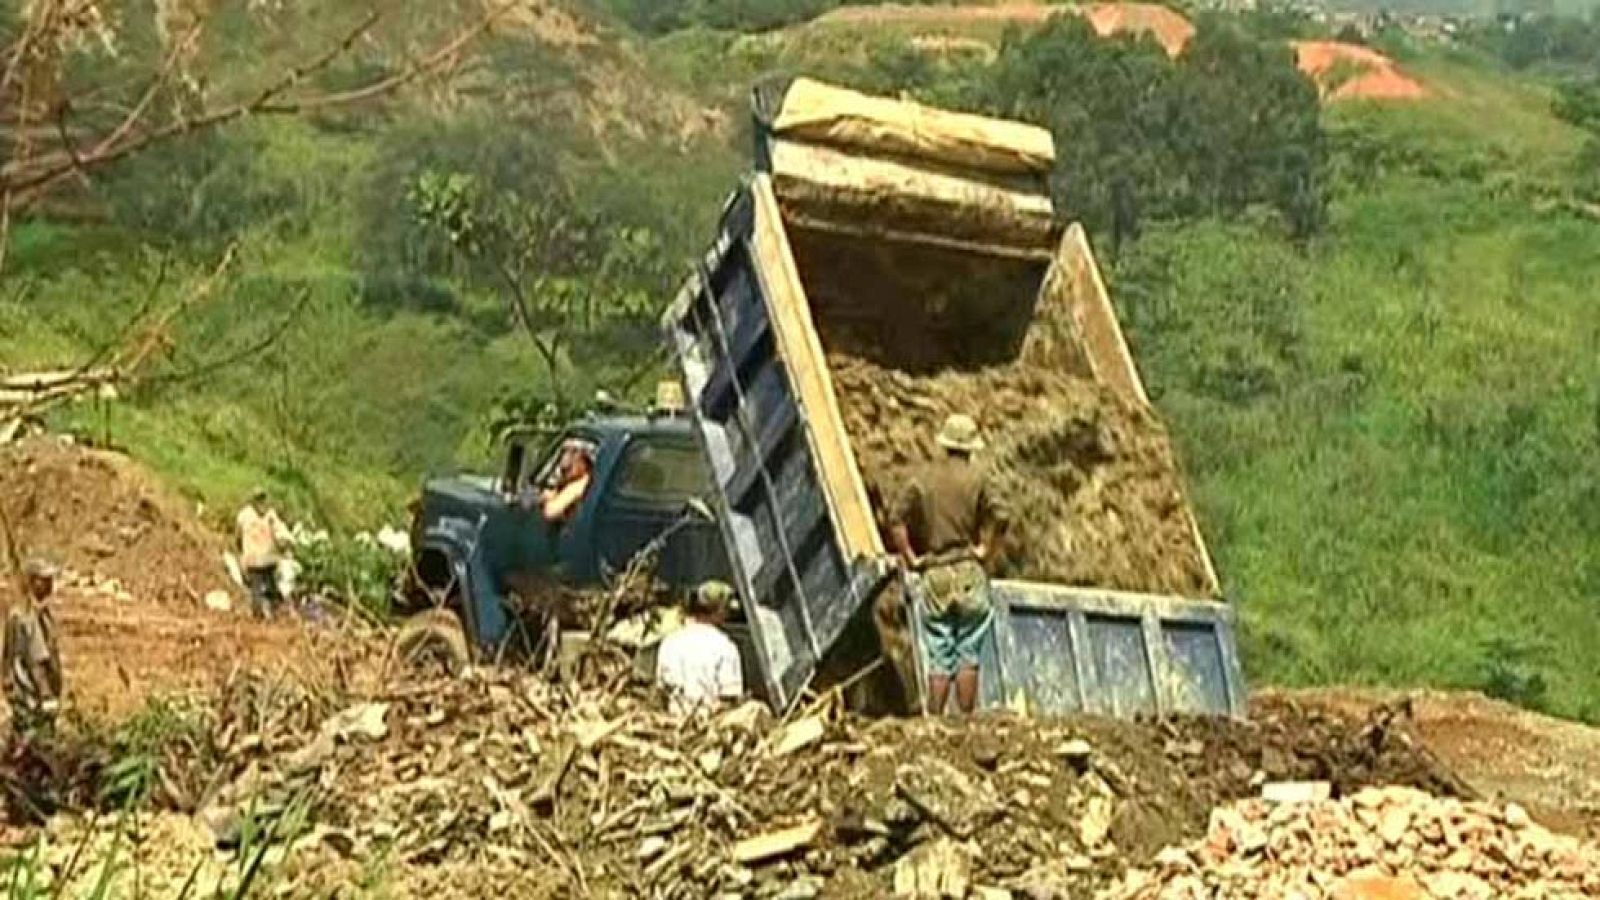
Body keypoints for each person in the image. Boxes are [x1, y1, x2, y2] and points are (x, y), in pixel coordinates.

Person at [890, 413, 1000, 716]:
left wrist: (911, 558)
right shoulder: (980, 479)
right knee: (968, 651)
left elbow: (896, 518)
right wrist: (985, 549)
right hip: (967, 569)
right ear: (970, 447)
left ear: (945, 445)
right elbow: (1000, 516)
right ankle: (965, 721)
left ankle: (935, 721)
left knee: (940, 652)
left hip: (935, 572)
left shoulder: (923, 479)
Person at [655, 580, 744, 715]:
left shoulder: (669, 642)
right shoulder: (725, 647)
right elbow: (729, 700)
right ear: (720, 611)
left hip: (672, 725)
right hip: (710, 728)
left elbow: (661, 693)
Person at [4, 559, 63, 740]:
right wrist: (46, 696)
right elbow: (36, 661)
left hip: (28, 694)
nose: (49, 585)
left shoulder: (41, 614)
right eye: (43, 580)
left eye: (50, 580)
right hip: (31, 695)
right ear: (32, 582)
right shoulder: (26, 617)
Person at [236, 488, 287, 617]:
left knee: (256, 588)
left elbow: (238, 536)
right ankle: (274, 611)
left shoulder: (244, 515)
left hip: (254, 557)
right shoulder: (270, 514)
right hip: (268, 556)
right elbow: (279, 533)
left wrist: (241, 551)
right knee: (270, 585)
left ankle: (259, 615)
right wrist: (282, 547)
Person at [540, 446, 594, 524]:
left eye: (568, 469)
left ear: (583, 464)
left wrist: (548, 500)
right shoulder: (575, 481)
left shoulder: (580, 485)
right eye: (563, 471)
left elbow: (551, 512)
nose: (564, 474)